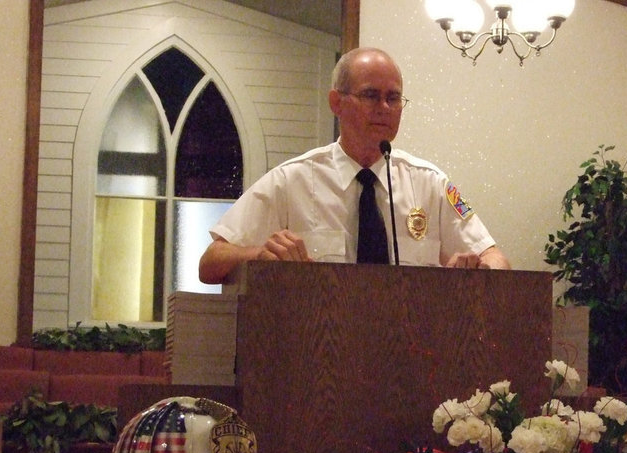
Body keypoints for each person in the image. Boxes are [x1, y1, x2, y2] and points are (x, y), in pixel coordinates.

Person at [198, 47, 510, 284]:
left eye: (394, 97)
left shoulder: (429, 184)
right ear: (337, 103)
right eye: (371, 96)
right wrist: (261, 255)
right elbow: (210, 263)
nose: (385, 108)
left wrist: (479, 271)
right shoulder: (291, 180)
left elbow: (495, 257)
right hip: (321, 351)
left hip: (412, 353)